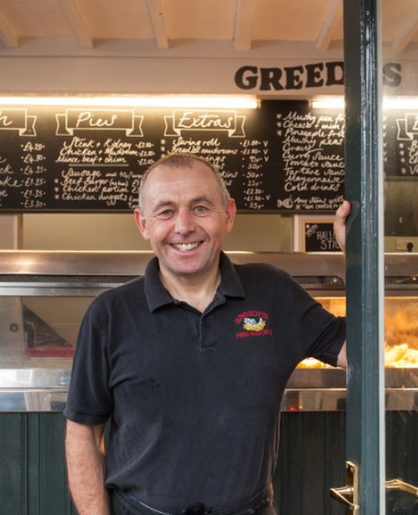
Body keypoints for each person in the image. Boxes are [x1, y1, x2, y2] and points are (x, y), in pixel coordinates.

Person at [64, 154, 349, 515]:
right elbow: (83, 432)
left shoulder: (273, 292)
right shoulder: (109, 314)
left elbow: (361, 354)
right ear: (143, 223)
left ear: (228, 215)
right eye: (165, 211)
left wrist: (358, 255)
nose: (183, 227)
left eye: (200, 208)